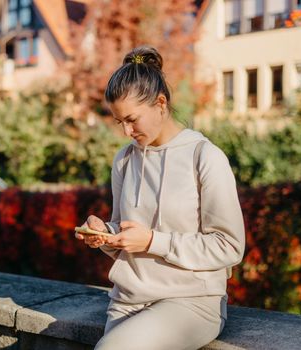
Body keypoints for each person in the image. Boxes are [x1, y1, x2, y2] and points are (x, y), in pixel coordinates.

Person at [75, 46, 245, 350]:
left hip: (191, 301)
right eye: (119, 122)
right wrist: (106, 235)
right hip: (127, 299)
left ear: (161, 104)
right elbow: (129, 233)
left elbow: (229, 246)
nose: (126, 130)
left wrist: (153, 241)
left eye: (132, 119)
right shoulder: (125, 160)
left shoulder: (204, 157)